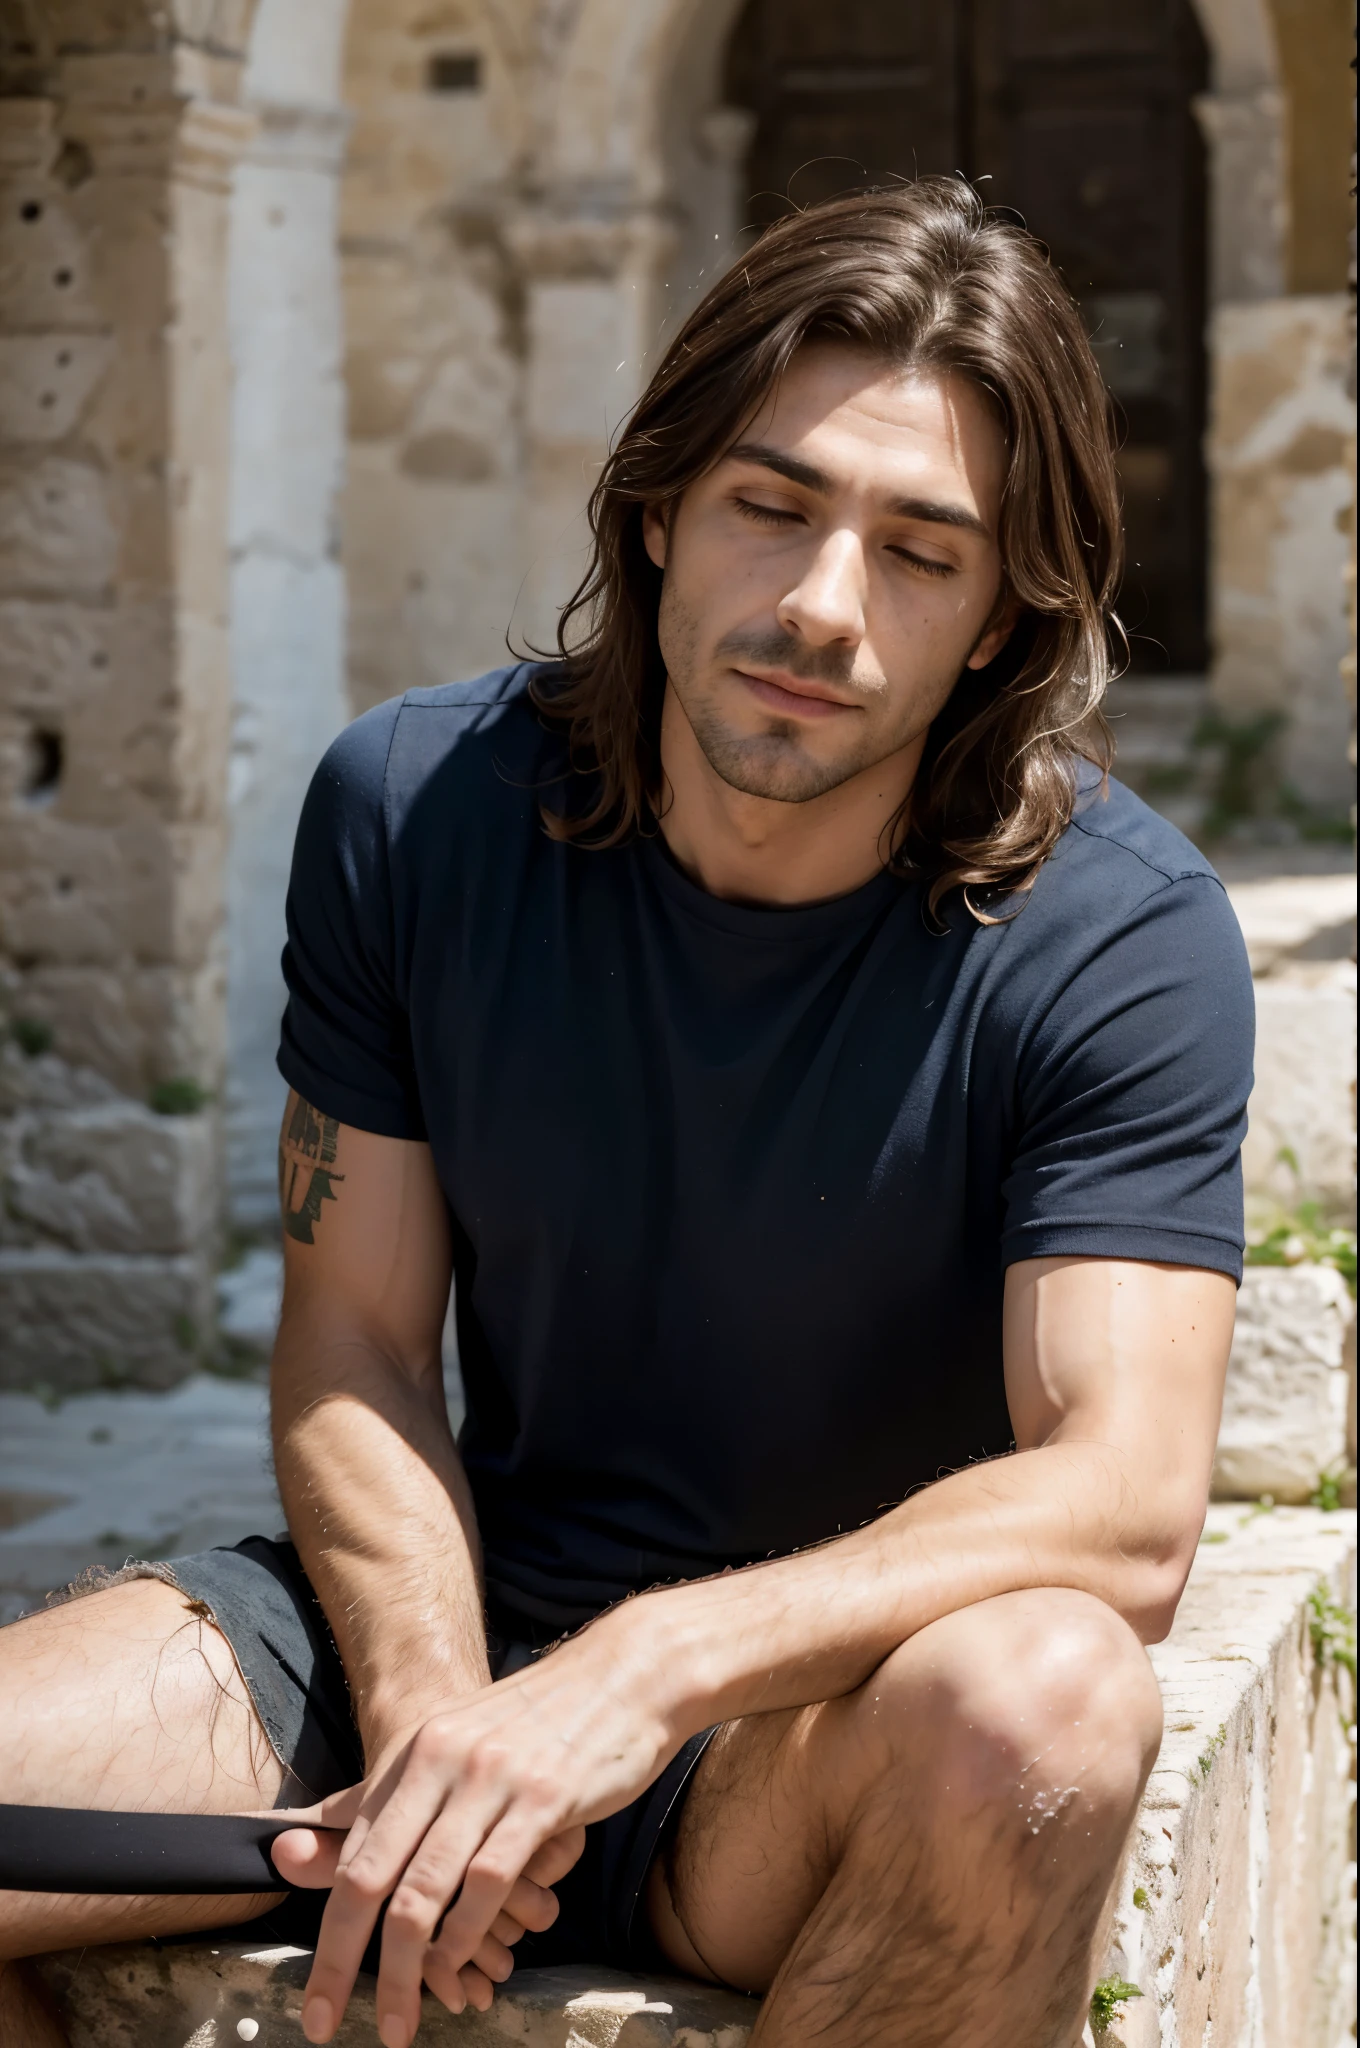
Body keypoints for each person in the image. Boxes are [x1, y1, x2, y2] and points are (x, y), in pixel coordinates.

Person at [0, 179, 1252, 2048]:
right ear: (660, 508)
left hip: (804, 1730)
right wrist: (444, 1727)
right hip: (420, 1643)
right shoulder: (412, 811)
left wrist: (645, 1670)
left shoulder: (1119, 936)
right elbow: (352, 1339)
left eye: (923, 552)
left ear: (1001, 621)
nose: (820, 606)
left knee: (1050, 1701)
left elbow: (1126, 1501)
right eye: (771, 506)